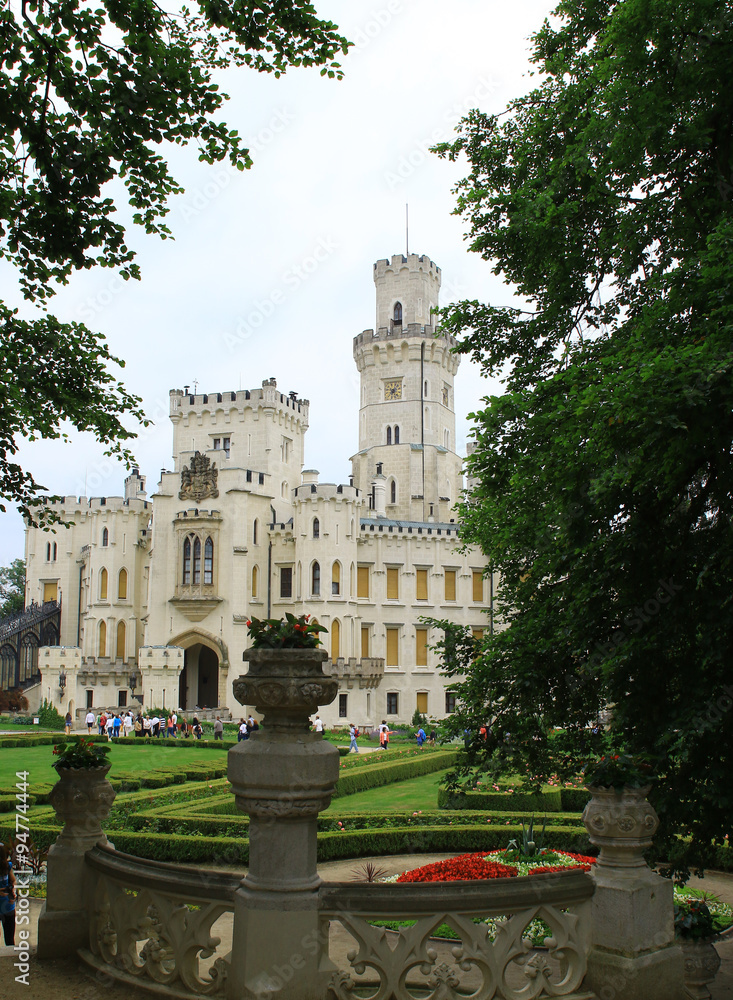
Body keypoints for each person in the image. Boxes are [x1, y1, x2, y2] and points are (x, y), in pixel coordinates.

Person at [0, 843, 16, 946]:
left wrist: (13, 889)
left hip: (8, 906)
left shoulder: (8, 866)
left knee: (10, 938)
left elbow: (13, 880)